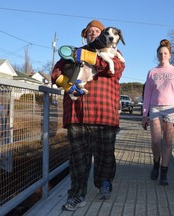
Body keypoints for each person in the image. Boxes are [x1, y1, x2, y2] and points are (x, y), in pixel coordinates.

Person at [51, 20, 125, 211]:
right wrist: (66, 84)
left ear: (105, 35)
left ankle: (104, 184)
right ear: (85, 35)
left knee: (105, 154)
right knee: (78, 158)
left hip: (104, 113)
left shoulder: (113, 53)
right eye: (90, 31)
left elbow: (114, 71)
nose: (94, 34)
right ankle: (76, 195)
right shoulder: (74, 52)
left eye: (97, 31)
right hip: (78, 113)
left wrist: (88, 56)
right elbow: (55, 72)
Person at [142, 39, 174, 186]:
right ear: (157, 55)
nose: (163, 56)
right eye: (160, 53)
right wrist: (144, 114)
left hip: (172, 108)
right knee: (155, 141)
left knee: (167, 141)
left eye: (165, 53)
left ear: (170, 55)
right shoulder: (152, 72)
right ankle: (155, 163)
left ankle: (164, 171)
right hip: (155, 107)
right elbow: (147, 94)